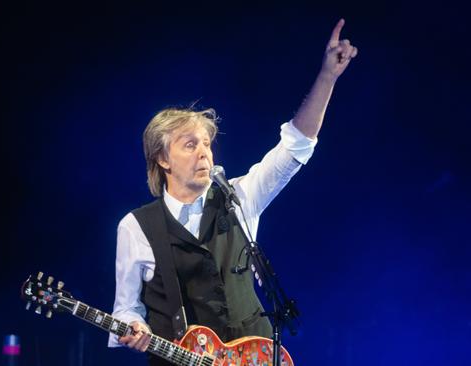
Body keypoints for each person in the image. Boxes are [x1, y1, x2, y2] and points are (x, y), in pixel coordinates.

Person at [108, 19, 357, 365]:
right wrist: (134, 327)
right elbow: (126, 309)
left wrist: (327, 77)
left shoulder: (238, 197)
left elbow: (295, 147)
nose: (204, 152)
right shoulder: (136, 227)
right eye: (190, 144)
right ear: (163, 159)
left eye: (207, 144)